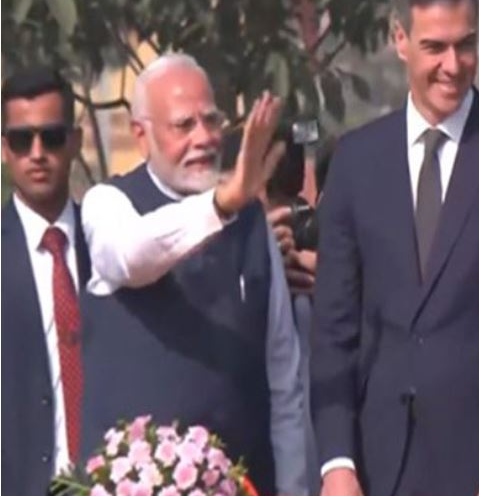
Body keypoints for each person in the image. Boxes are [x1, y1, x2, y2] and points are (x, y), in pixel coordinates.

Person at [310, 1, 479, 495]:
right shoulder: (356, 161)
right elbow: (333, 330)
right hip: (375, 467)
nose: (453, 66)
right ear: (400, 40)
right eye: (435, 47)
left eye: (465, 45)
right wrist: (337, 461)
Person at [79, 54, 307, 496]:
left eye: (211, 120)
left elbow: (284, 383)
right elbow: (130, 256)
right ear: (141, 136)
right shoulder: (107, 204)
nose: (203, 138)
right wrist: (221, 204)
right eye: (184, 126)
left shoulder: (253, 225)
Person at [1, 67, 90, 495]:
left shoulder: (108, 247)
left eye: (51, 137)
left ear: (75, 141)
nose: (37, 152)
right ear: (4, 148)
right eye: (21, 140)